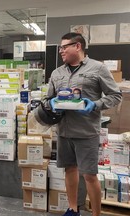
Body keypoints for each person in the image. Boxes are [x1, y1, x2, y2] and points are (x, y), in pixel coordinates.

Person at [47, 33, 122, 216]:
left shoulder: (98, 68)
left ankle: (96, 214)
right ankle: (73, 209)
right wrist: (52, 104)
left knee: (89, 175)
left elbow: (115, 96)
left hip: (87, 132)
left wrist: (94, 105)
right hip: (64, 131)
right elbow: (48, 99)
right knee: (70, 170)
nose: (61, 51)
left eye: (65, 47)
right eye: (60, 48)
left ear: (78, 46)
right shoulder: (57, 73)